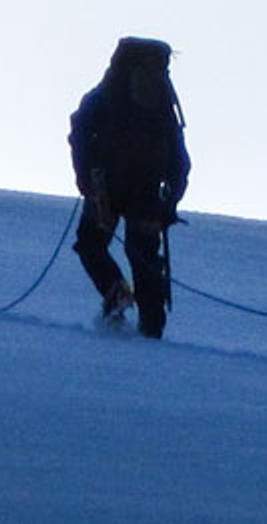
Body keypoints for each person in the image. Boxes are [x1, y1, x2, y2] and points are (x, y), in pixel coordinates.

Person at [67, 37, 190, 336]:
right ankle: (152, 328)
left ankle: (116, 293)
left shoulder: (106, 94)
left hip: (105, 187)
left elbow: (80, 131)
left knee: (90, 244)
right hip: (147, 192)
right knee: (145, 257)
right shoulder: (163, 106)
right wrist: (170, 200)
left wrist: (86, 178)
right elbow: (180, 159)